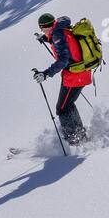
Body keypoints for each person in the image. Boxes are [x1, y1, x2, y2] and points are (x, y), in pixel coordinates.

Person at [32, 12, 90, 144]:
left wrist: (46, 73)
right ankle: (79, 135)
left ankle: (75, 140)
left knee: (62, 108)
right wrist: (46, 39)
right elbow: (65, 44)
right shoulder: (60, 29)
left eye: (42, 29)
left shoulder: (57, 35)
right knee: (67, 105)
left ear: (45, 27)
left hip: (75, 75)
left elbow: (63, 60)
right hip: (80, 72)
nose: (42, 31)